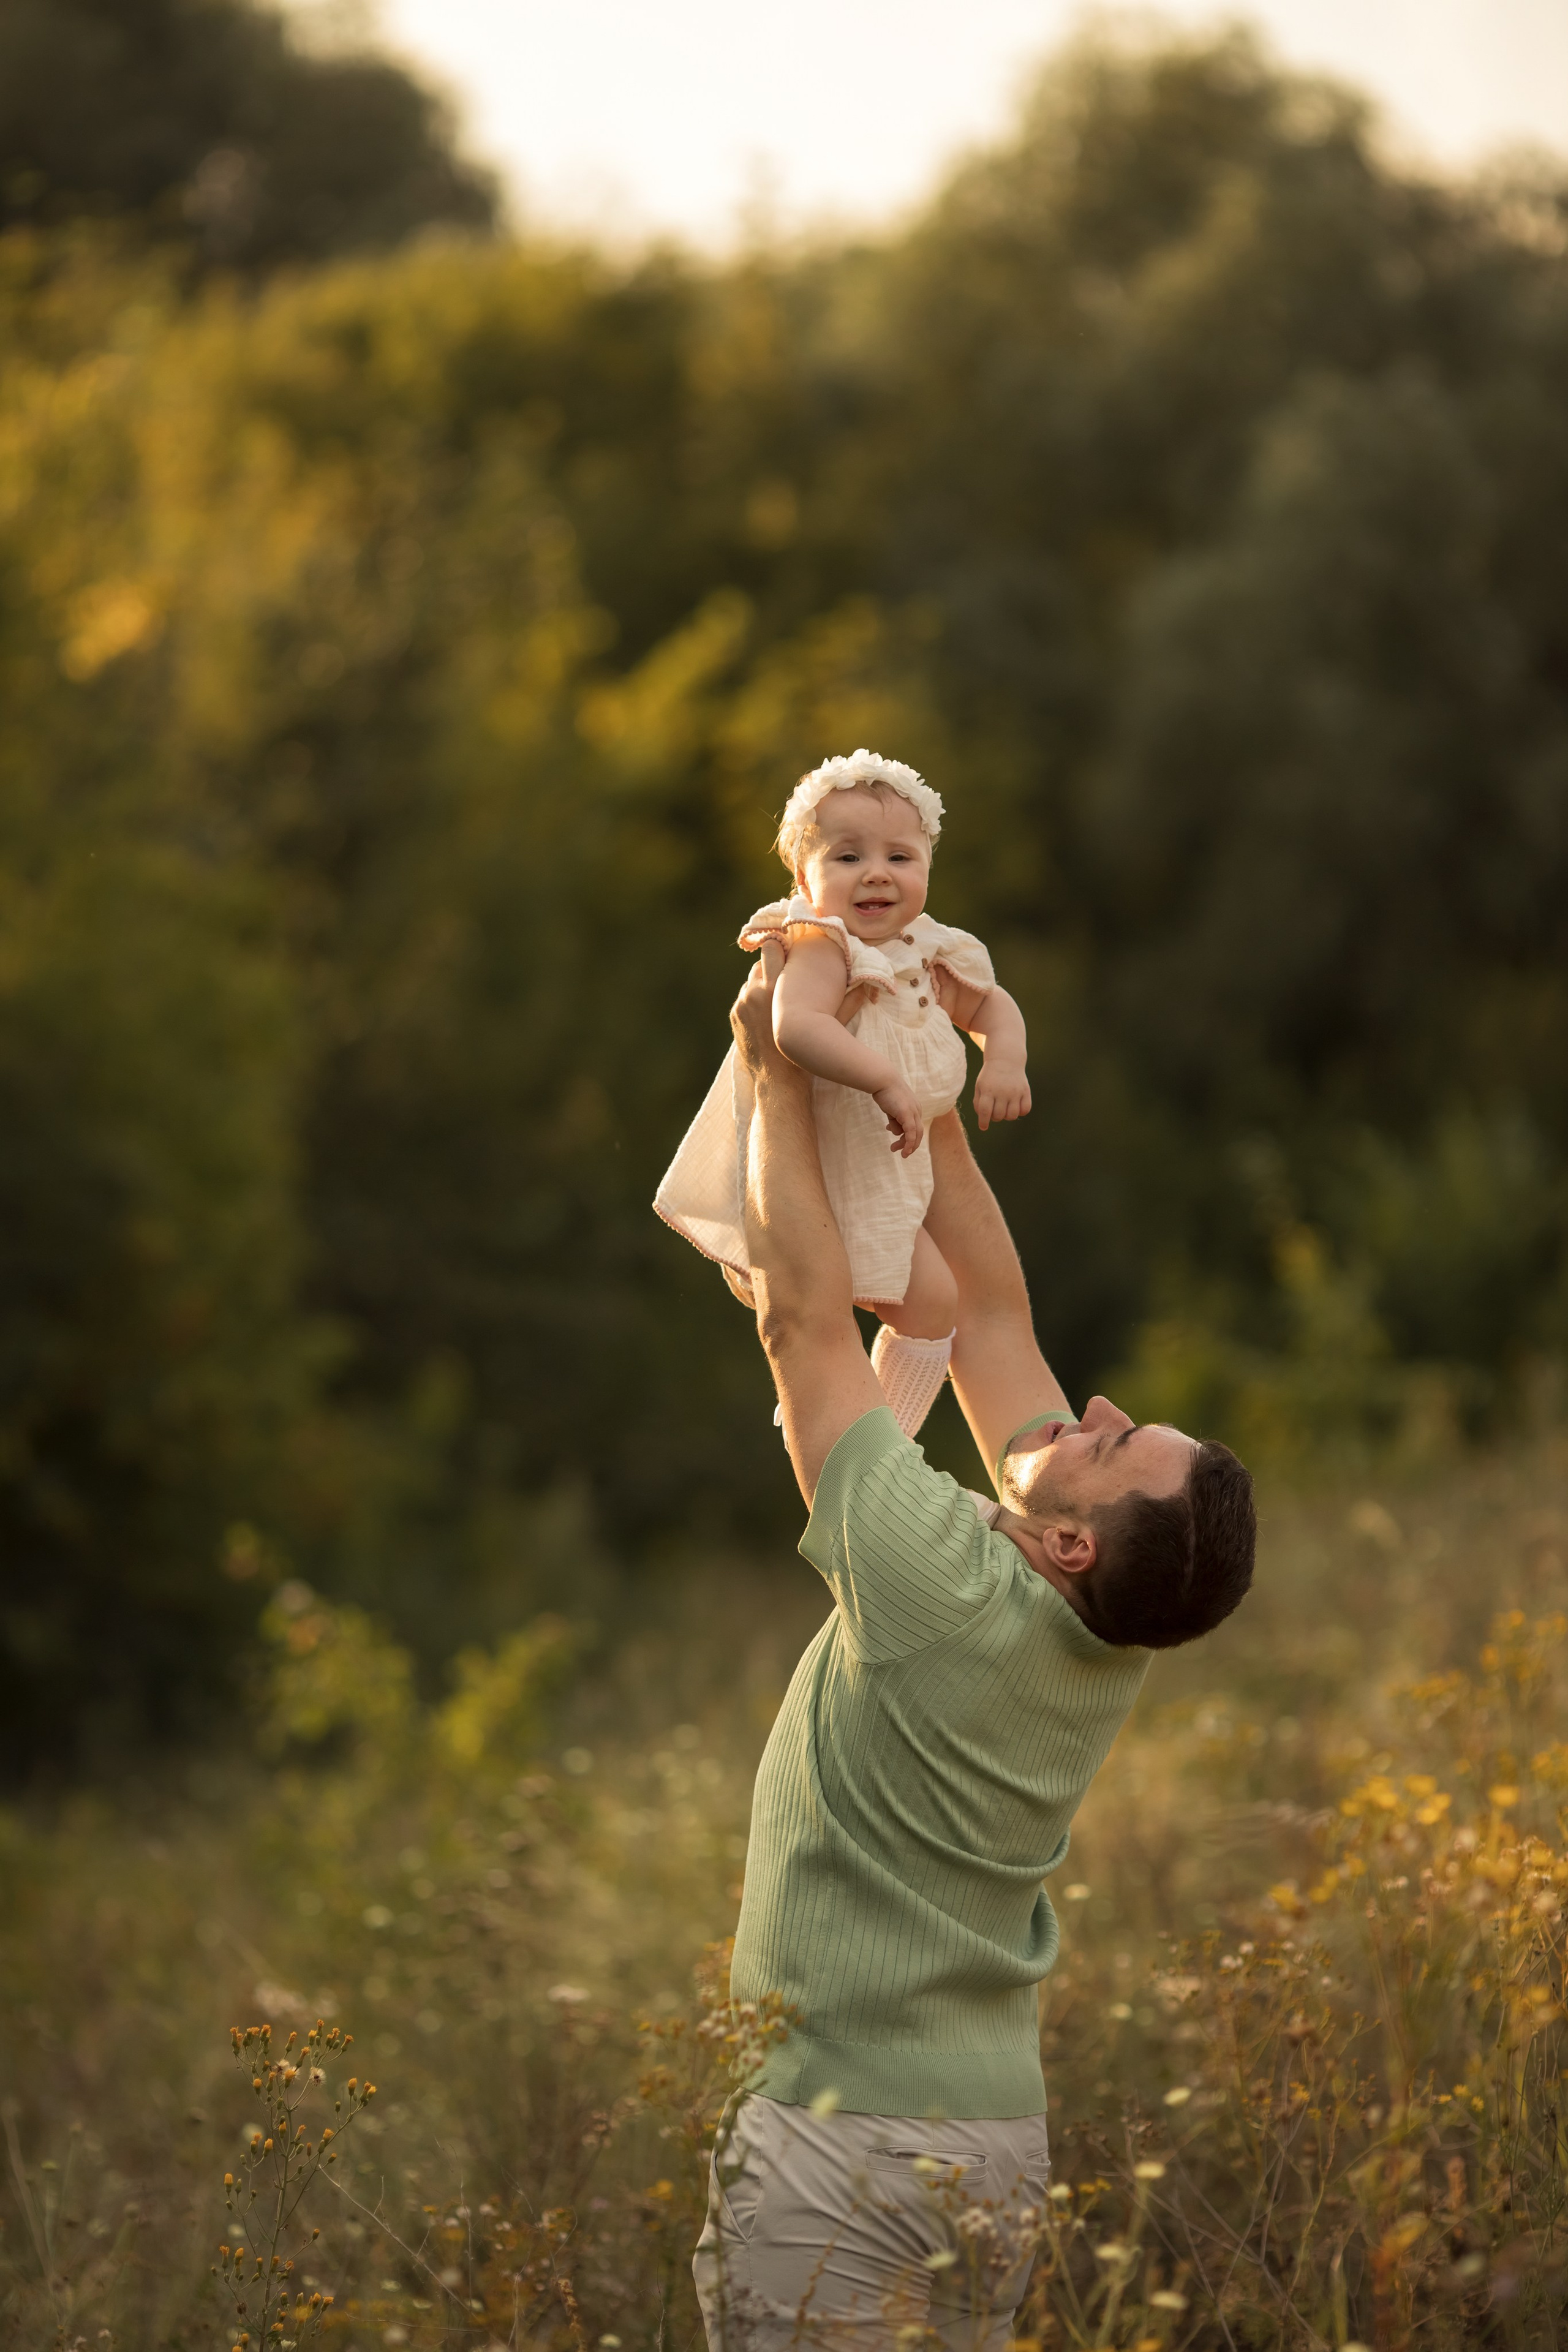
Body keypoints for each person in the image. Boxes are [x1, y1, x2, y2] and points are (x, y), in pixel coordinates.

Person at [692, 943, 1256, 2351]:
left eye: (1117, 1444)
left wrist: (775, 1062)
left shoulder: (936, 1576)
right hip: (995, 2146)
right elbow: (992, 1316)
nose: (1102, 1404)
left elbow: (799, 1318)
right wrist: (920, 1084)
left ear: (1074, 1539)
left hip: (840, 2141)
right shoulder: (1095, 1624)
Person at [656, 750, 1031, 1441]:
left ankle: (865, 1430)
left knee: (936, 1305)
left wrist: (1004, 1060)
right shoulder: (823, 945)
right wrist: (883, 1077)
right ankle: (856, 1430)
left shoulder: (927, 949)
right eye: (848, 857)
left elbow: (991, 1006)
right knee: (926, 1302)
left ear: (927, 867)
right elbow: (794, 1025)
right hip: (830, 1171)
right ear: (805, 877)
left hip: (891, 1165)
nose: (877, 873)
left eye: (900, 856)